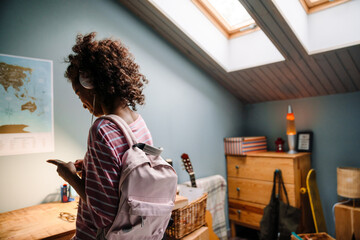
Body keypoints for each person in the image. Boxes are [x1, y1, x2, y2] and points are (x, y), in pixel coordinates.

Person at [47, 32, 153, 240]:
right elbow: (126, 178)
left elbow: (103, 215)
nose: (81, 102)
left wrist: (70, 177)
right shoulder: (139, 123)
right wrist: (91, 166)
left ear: (88, 82)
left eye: (78, 92)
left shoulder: (101, 129)